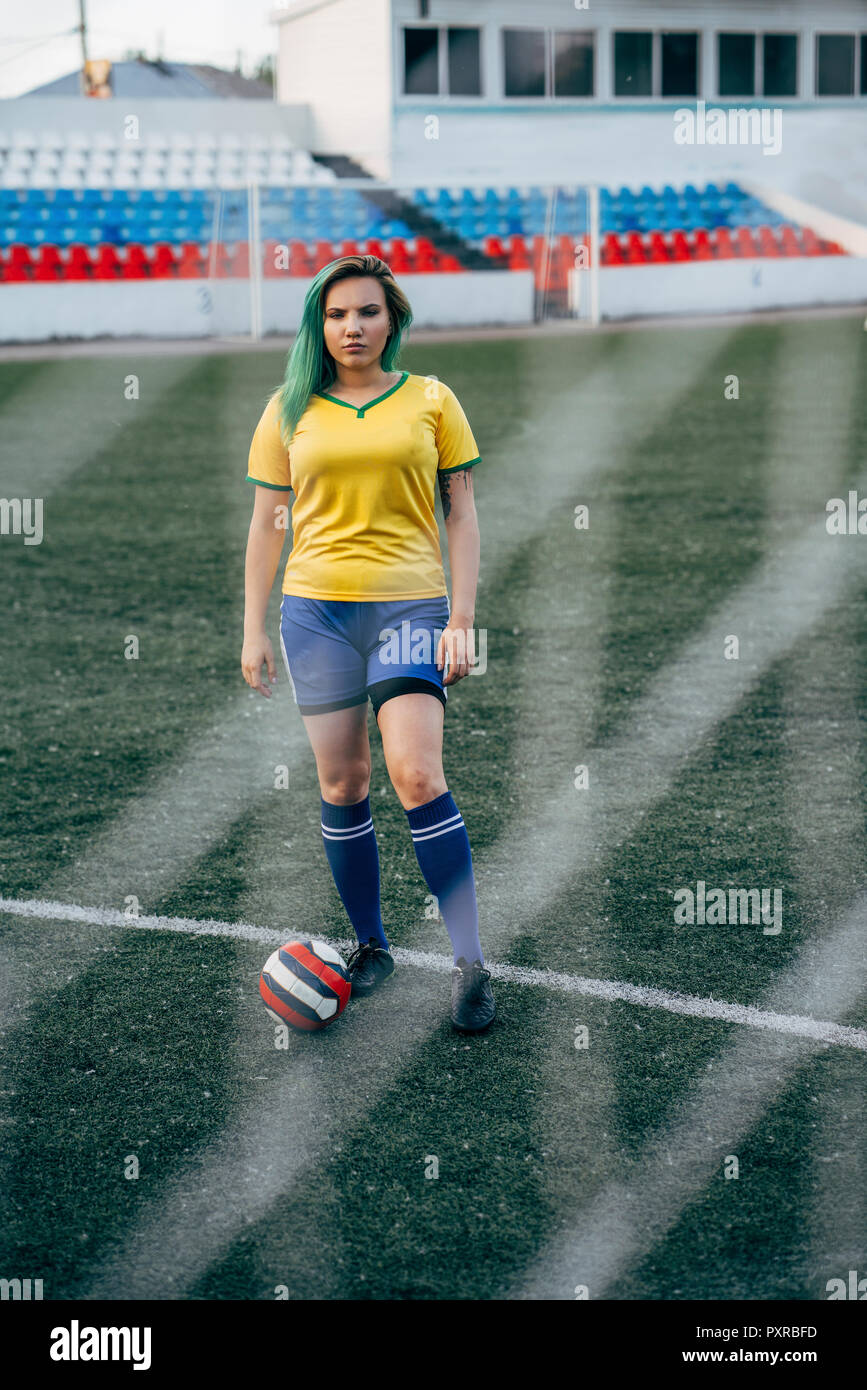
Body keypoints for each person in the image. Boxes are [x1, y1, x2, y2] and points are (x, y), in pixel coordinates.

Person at [241, 254, 494, 1033]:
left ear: (393, 320)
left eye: (368, 312)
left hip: (408, 611)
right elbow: (266, 523)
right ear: (320, 325)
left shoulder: (430, 399)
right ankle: (370, 947)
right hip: (314, 614)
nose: (353, 326)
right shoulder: (289, 409)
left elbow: (461, 515)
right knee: (345, 784)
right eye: (337, 314)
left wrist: (459, 619)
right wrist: (253, 628)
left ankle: (470, 963)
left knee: (415, 773)